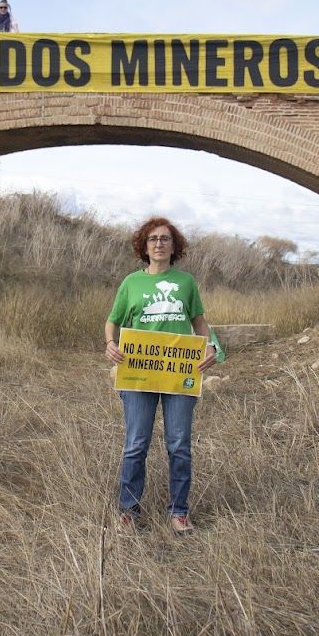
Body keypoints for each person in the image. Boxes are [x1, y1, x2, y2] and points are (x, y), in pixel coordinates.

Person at [104, 217, 217, 534]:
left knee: (179, 445)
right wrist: (110, 344)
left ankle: (179, 511)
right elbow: (111, 322)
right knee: (136, 444)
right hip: (139, 375)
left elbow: (200, 322)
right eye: (153, 238)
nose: (158, 243)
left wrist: (210, 347)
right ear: (144, 245)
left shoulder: (185, 282)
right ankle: (129, 511)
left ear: (174, 245)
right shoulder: (131, 283)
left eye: (165, 238)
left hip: (177, 375)